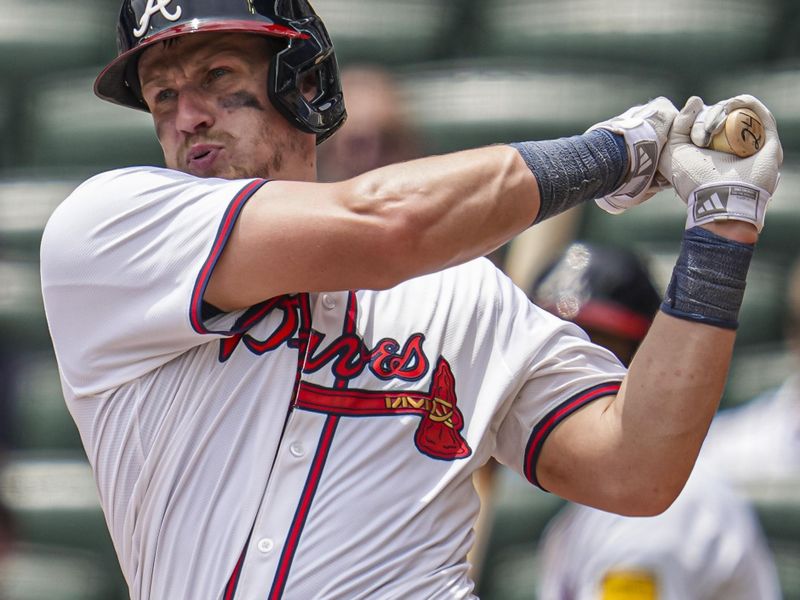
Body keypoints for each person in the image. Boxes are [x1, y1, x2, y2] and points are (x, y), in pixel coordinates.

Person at [38, 1, 782, 599]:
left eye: (216, 75)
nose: (187, 115)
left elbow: (637, 469)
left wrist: (722, 229)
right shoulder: (108, 235)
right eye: (163, 95)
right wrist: (616, 153)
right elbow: (388, 228)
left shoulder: (464, 295)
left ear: (304, 85)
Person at [531, 242, 781, 600]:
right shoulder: (605, 491)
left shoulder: (654, 510)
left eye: (597, 351)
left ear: (646, 366)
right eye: (548, 356)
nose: (564, 379)